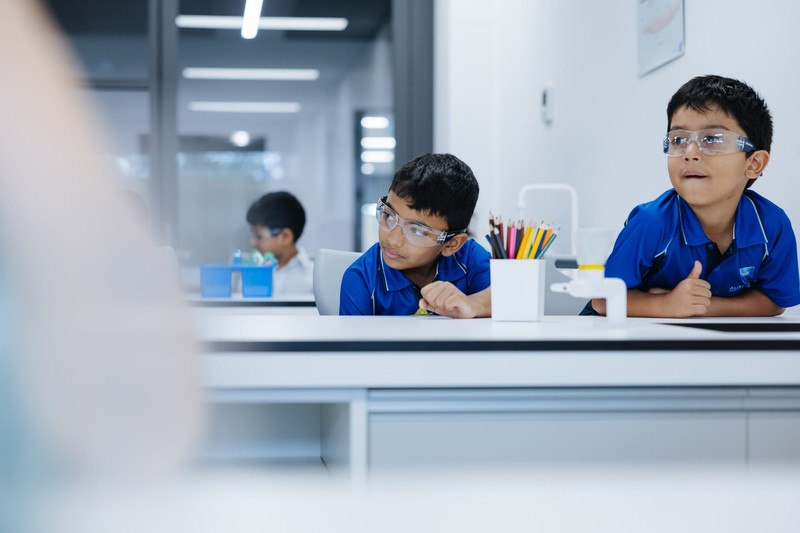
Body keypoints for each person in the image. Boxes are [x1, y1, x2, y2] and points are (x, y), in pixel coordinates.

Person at [590, 75, 800, 318]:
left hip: (703, 344)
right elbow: (602, 301)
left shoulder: (772, 226)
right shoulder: (652, 222)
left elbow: (775, 301)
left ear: (754, 163)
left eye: (712, 139)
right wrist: (665, 305)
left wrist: (702, 307)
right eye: (678, 140)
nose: (690, 153)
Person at [340, 153, 491, 317]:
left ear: (451, 244)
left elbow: (512, 295)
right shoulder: (360, 279)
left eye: (416, 230)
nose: (393, 240)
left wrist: (473, 305)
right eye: (389, 216)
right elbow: (354, 342)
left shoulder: (469, 257)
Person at [246, 191, 314, 295]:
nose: (252, 243)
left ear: (285, 237)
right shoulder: (248, 273)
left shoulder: (313, 278)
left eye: (259, 236)